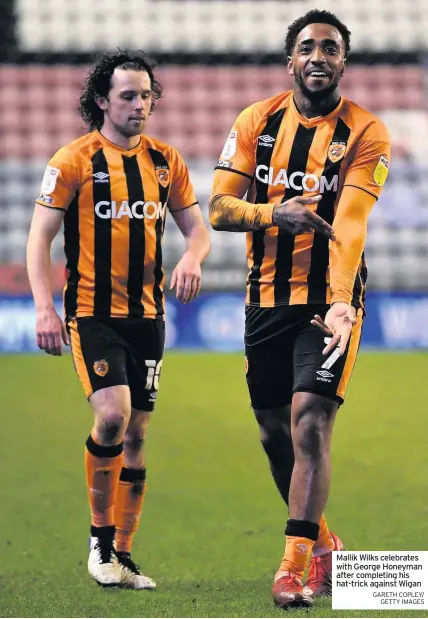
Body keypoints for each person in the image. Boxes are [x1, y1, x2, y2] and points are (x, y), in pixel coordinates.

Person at [210, 9, 390, 610]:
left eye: (331, 48)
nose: (318, 56)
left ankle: (292, 569)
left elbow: (352, 223)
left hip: (327, 301)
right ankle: (326, 546)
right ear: (291, 60)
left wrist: (341, 303)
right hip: (264, 298)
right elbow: (218, 207)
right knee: (272, 433)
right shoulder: (254, 121)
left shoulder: (366, 132)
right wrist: (272, 213)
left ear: (344, 61)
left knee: (309, 419)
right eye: (307, 47)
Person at [27, 50, 210, 589]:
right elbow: (40, 238)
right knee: (113, 416)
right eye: (128, 95)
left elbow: (196, 229)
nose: (140, 105)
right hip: (92, 313)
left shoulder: (165, 162)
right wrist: (44, 307)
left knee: (136, 434)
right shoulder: (74, 160)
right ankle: (99, 544)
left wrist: (192, 257)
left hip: (148, 317)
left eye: (147, 95)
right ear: (102, 101)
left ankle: (123, 554)